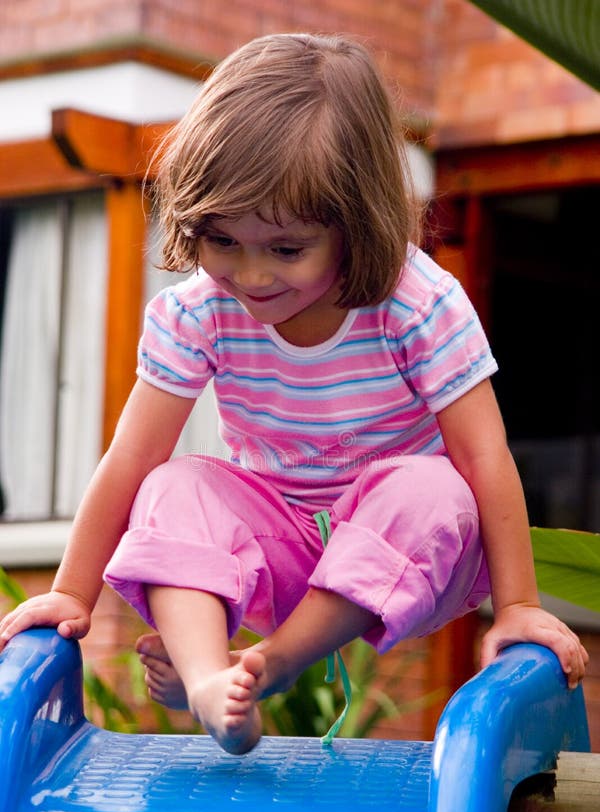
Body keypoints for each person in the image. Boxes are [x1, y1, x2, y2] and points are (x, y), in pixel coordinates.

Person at [0, 33, 587, 754]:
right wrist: (70, 591)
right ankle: (210, 676)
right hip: (279, 546)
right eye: (223, 243)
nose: (251, 277)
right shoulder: (199, 313)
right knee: (174, 480)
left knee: (435, 485)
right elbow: (129, 457)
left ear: (354, 223)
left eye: (285, 249)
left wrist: (519, 605)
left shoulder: (418, 305)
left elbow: (485, 456)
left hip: (409, 553)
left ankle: (271, 665)